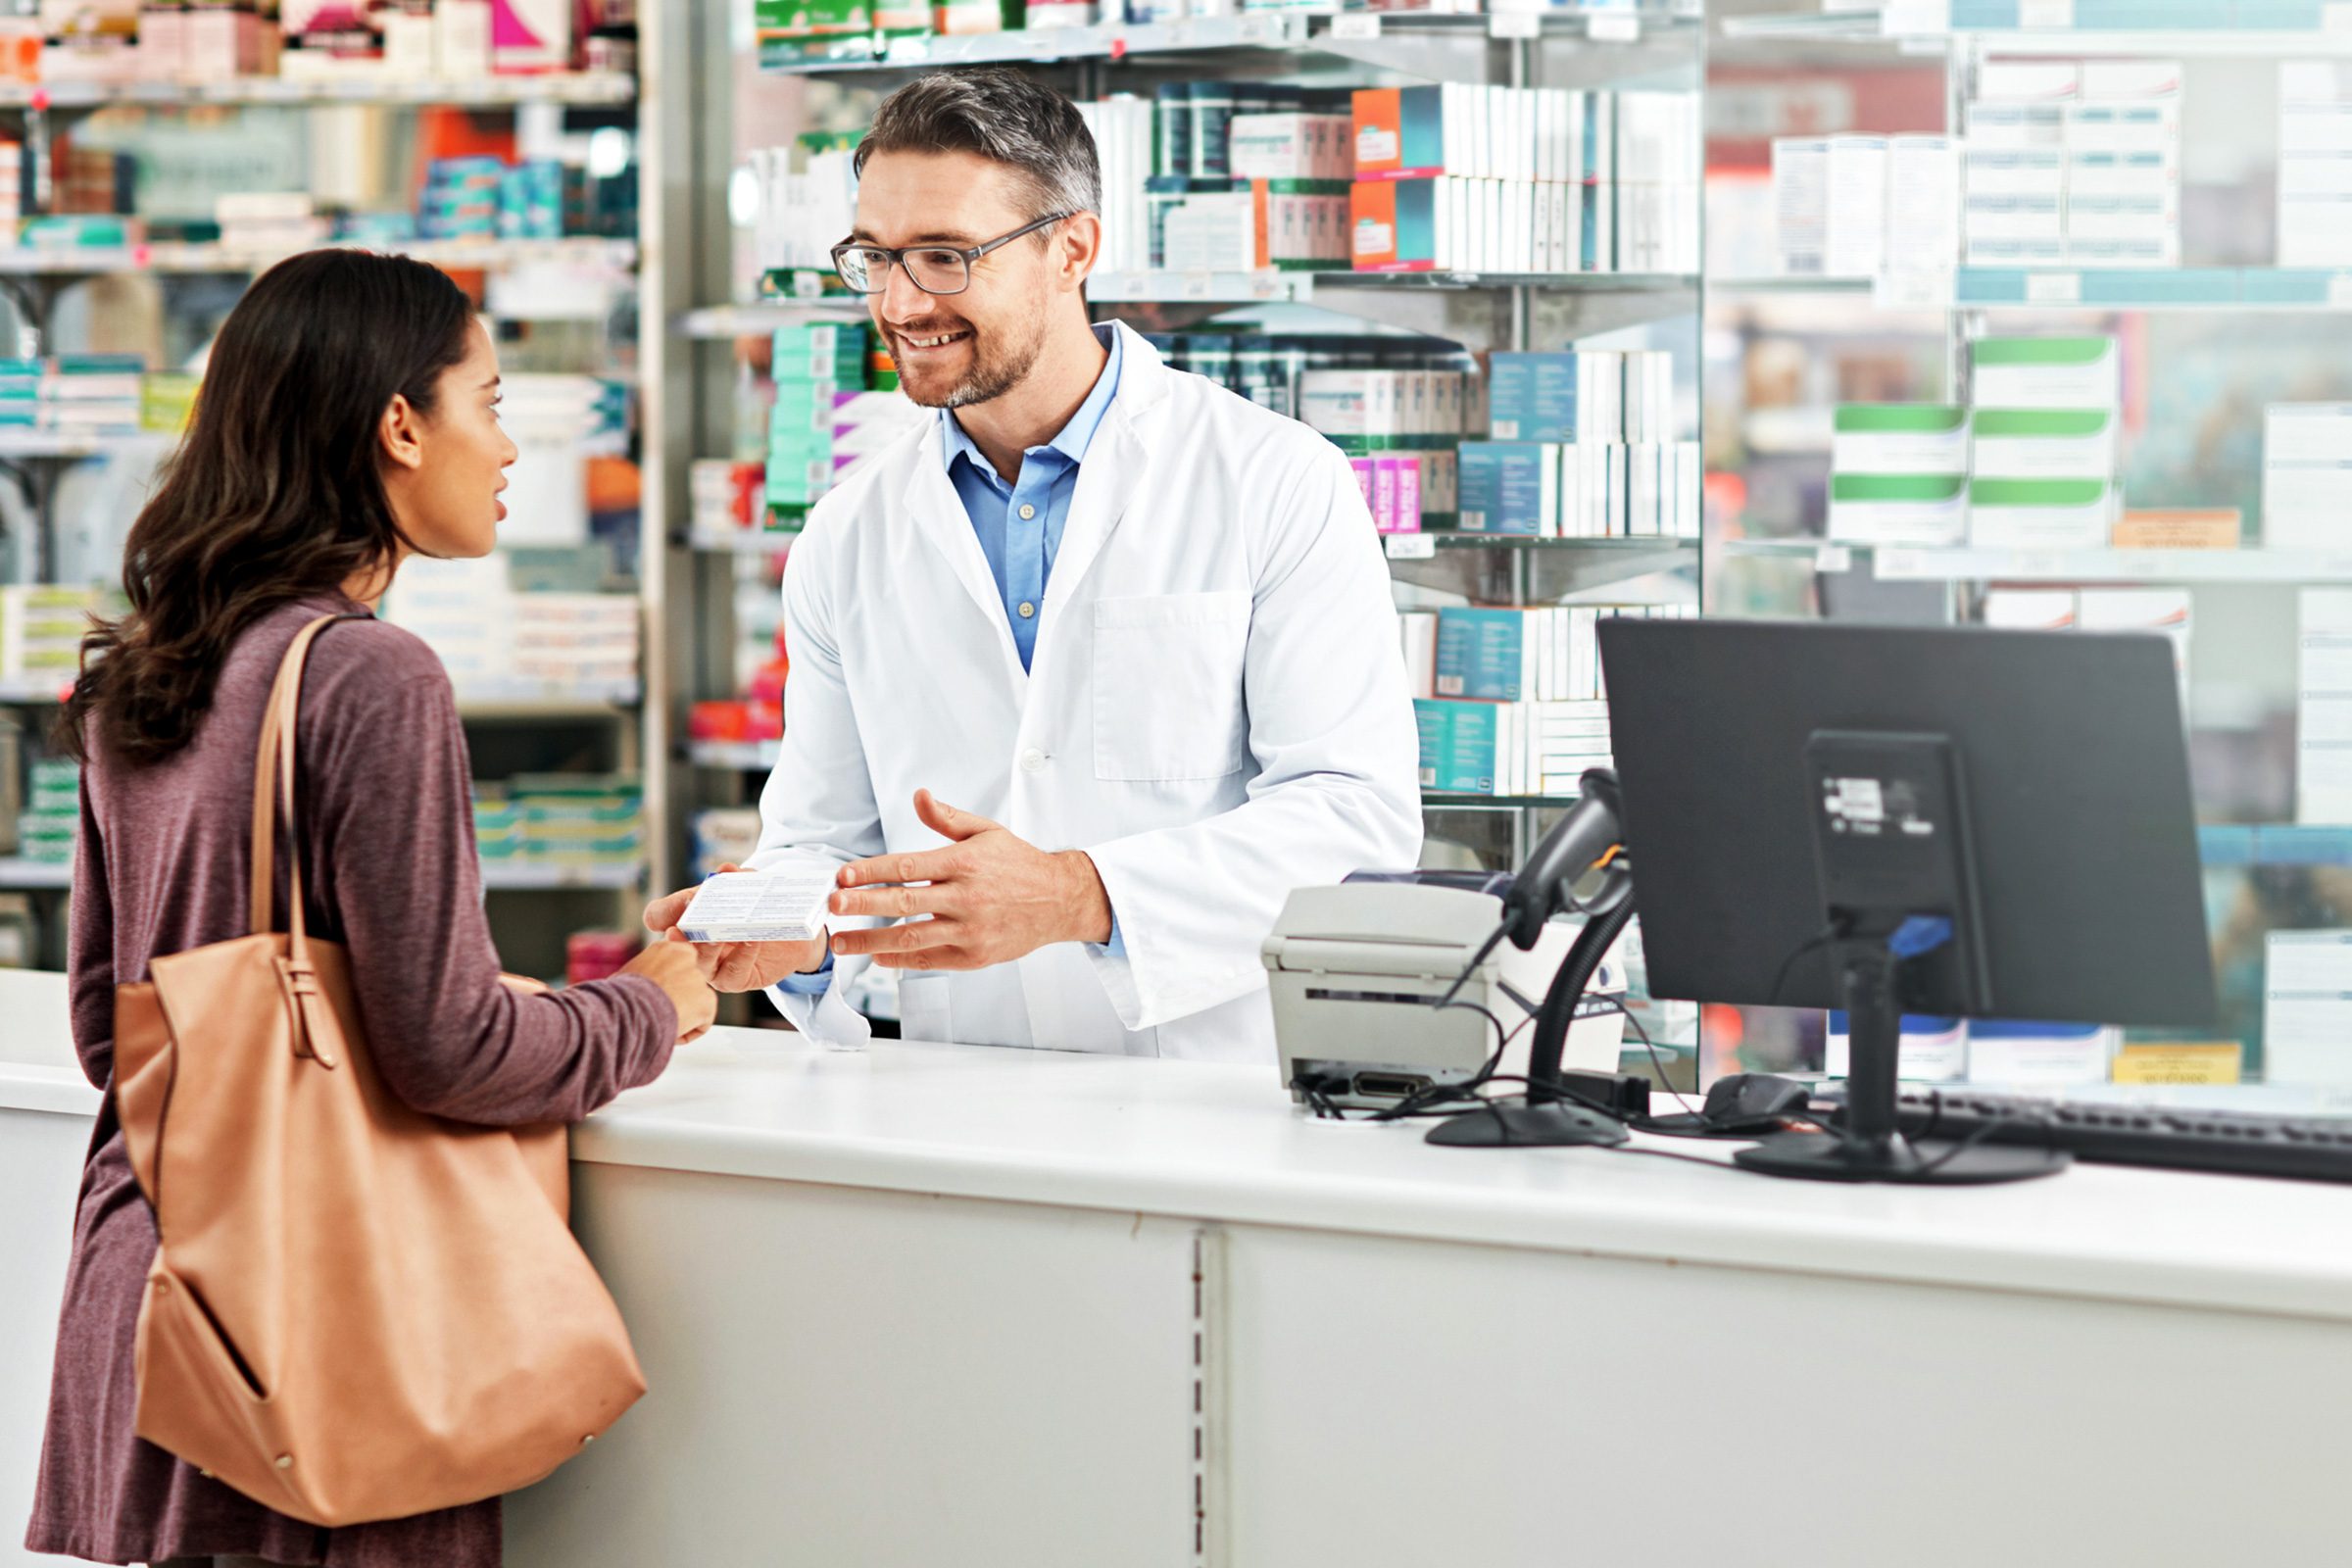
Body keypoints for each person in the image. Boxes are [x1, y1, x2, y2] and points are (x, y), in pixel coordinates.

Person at [24, 250, 716, 1568]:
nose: (508, 448)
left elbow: (117, 1042)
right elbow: (448, 1054)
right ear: (401, 425)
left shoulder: (142, 668)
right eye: (492, 402)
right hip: (322, 1314)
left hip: (154, 1301)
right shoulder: (370, 679)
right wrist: (652, 1005)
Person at [645, 68, 1422, 1060]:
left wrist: (1077, 897)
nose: (900, 300)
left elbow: (1355, 819)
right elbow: (823, 834)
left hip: (1216, 1101)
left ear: (1073, 247)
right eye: (874, 257)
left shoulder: (1274, 479)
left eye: (944, 256)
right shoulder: (849, 532)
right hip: (963, 1098)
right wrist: (789, 923)